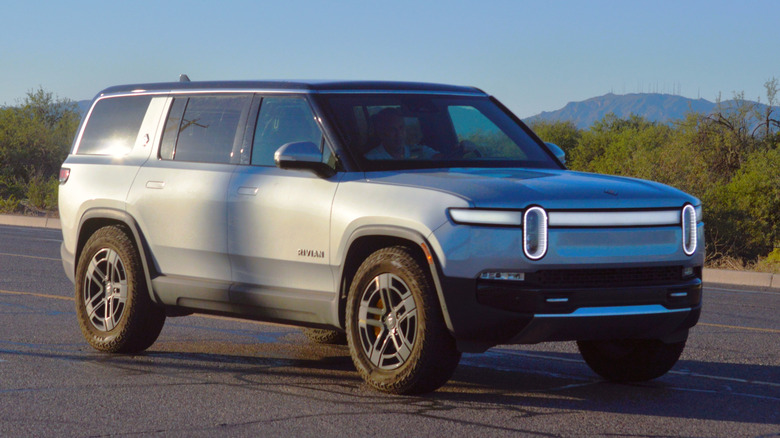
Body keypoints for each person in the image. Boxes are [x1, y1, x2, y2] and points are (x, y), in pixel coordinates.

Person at [364, 108, 438, 160]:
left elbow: (441, 159)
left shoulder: (418, 150)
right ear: (381, 133)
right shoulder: (372, 159)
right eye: (392, 129)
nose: (399, 134)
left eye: (401, 128)